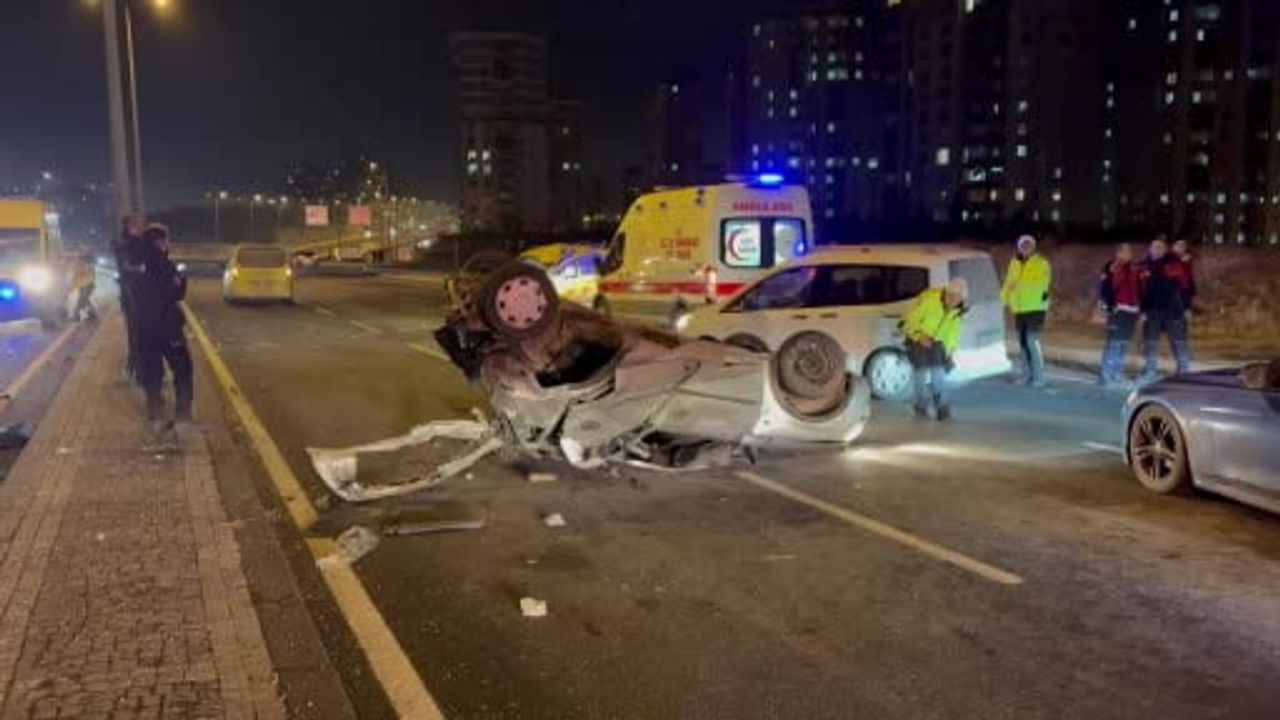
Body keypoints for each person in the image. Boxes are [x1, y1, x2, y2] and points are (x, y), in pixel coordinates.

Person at [134, 224, 193, 429]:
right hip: (167, 326)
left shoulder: (136, 263)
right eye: (166, 239)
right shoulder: (163, 264)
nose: (168, 243)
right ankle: (183, 412)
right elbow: (176, 293)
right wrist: (182, 280)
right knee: (183, 368)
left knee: (152, 370)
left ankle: (154, 410)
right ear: (158, 241)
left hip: (144, 326)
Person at [901, 278, 969, 421]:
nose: (952, 300)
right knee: (920, 377)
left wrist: (949, 354)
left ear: (962, 298)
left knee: (939, 378)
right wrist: (919, 336)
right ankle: (920, 408)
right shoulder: (930, 302)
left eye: (957, 298)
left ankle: (942, 411)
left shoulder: (958, 312)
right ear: (946, 292)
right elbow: (908, 322)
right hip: (918, 342)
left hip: (938, 346)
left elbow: (953, 336)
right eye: (950, 295)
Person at [1138, 237, 1192, 383]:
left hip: (1173, 311)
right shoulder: (1142, 267)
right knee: (1151, 342)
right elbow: (1137, 290)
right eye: (1154, 247)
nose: (1157, 250)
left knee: (1179, 342)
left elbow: (1185, 287)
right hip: (1151, 311)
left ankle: (1184, 371)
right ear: (1149, 249)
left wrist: (1186, 307)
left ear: (1165, 250)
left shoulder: (1174, 265)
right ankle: (1150, 371)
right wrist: (1141, 310)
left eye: (1160, 247)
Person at [1000, 234, 1053, 386]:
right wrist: (1002, 301)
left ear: (1034, 247)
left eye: (1028, 244)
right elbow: (1008, 283)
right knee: (1023, 343)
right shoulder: (1014, 263)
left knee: (1032, 341)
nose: (1025, 247)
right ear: (1019, 247)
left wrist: (1020, 285)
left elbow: (1043, 283)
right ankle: (1026, 375)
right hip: (1020, 308)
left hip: (1036, 308)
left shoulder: (1042, 263)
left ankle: (1039, 376)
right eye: (1023, 245)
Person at [1097, 243, 1142, 386]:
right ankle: (1106, 375)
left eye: (1128, 251)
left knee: (1123, 343)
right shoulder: (1111, 267)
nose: (1125, 254)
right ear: (1117, 253)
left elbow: (1140, 289)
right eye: (1122, 251)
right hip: (1118, 310)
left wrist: (1140, 308)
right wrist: (1108, 307)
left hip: (1132, 311)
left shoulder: (1135, 269)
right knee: (1113, 344)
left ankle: (1117, 373)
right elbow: (1104, 289)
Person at [112, 217, 147, 382]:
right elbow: (126, 266)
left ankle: (136, 367)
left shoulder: (140, 243)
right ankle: (136, 368)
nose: (139, 227)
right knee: (136, 333)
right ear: (129, 227)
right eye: (136, 225)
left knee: (139, 333)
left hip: (139, 295)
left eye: (139, 225)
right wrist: (140, 269)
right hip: (132, 295)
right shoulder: (125, 245)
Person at [68, 251, 98, 322]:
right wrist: (71, 286)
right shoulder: (78, 264)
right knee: (85, 301)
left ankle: (77, 317)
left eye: (80, 257)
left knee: (81, 301)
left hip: (88, 285)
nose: (78, 258)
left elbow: (86, 274)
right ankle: (92, 316)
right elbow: (75, 276)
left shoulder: (88, 265)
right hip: (83, 285)